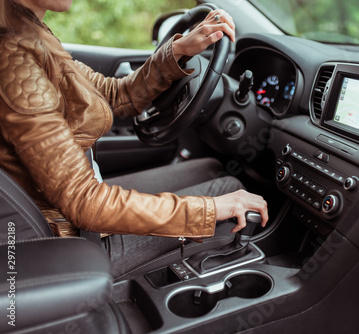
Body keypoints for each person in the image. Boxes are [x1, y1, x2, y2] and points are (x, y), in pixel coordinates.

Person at [0, 0, 268, 278]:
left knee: (212, 169)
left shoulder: (30, 32)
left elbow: (113, 95)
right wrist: (211, 210)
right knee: (231, 193)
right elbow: (84, 202)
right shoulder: (14, 58)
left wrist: (178, 50)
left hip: (66, 211)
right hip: (67, 241)